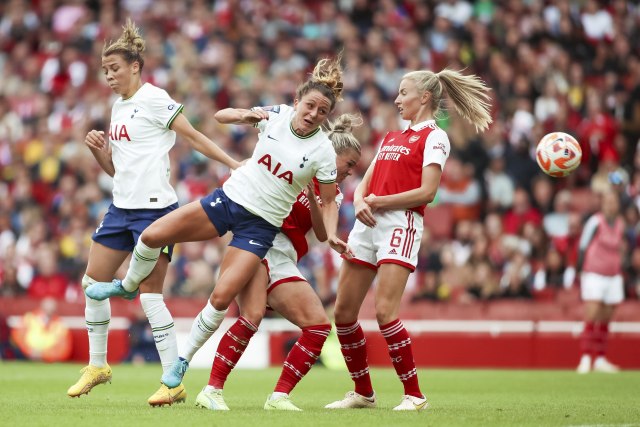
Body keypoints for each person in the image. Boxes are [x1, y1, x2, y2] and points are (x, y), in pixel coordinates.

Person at [86, 54, 352, 399]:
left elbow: (329, 203)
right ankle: (127, 285)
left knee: (222, 298)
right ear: (297, 100)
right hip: (228, 201)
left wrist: (332, 236)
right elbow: (220, 116)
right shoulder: (278, 114)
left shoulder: (323, 152)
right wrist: (244, 115)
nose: (314, 114)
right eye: (310, 105)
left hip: (261, 226)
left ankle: (180, 364)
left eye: (322, 112)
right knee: (151, 236)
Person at [67, 19, 241, 406]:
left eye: (114, 68)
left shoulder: (154, 98)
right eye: (104, 70)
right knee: (91, 283)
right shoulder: (118, 107)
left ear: (135, 66)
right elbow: (118, 170)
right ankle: (98, 365)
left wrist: (232, 162)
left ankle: (171, 382)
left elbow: (193, 136)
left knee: (149, 297)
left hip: (154, 212)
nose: (109, 76)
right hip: (120, 208)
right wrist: (98, 153)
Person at [325, 69, 492, 411]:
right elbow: (364, 184)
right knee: (342, 313)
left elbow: (428, 192)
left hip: (400, 223)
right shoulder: (391, 137)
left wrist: (378, 202)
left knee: (385, 312)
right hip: (367, 224)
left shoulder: (435, 137)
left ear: (424, 97)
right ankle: (363, 393)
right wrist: (360, 201)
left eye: (404, 92)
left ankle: (415, 396)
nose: (397, 99)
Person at [191, 114, 361, 412]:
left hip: (285, 256)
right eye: (348, 163)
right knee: (252, 315)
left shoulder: (332, 191)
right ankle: (212, 389)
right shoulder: (296, 165)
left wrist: (315, 200)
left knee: (318, 326)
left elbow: (322, 234)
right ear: (331, 154)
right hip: (260, 241)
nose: (350, 171)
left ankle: (277, 396)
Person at [576, 192, 624, 374]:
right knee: (592, 313)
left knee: (606, 317)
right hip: (594, 273)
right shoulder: (595, 222)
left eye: (614, 202)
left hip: (613, 275)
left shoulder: (620, 224)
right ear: (603, 204)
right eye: (608, 202)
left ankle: (600, 358)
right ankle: (585, 357)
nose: (611, 205)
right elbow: (583, 245)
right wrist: (580, 269)